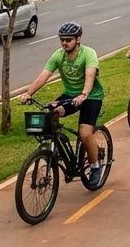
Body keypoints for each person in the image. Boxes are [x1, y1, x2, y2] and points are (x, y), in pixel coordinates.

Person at [21, 22, 105, 186]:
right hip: (70, 96)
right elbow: (44, 76)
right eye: (62, 40)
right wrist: (28, 93)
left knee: (85, 133)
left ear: (78, 39)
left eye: (68, 40)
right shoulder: (58, 55)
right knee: (51, 112)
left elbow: (90, 76)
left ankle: (95, 166)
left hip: (91, 96)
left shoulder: (88, 53)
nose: (64, 43)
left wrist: (84, 94)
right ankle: (58, 148)